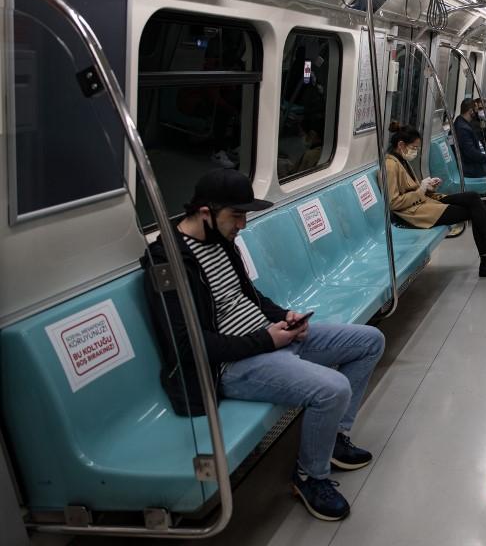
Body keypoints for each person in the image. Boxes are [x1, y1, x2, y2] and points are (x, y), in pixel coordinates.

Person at [141, 169, 384, 522]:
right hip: (233, 365)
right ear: (205, 212)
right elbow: (189, 345)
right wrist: (266, 339)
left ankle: (333, 437)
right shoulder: (168, 264)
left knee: (369, 341)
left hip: (269, 338)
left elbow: (249, 295)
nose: (242, 224)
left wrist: (286, 316)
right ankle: (309, 477)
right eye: (236, 215)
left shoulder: (222, 241)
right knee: (333, 389)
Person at [384, 124, 486, 277]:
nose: (415, 152)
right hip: (413, 213)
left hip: (423, 203)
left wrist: (428, 187)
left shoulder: (401, 161)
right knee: (474, 212)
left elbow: (410, 189)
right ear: (401, 145)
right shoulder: (390, 165)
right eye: (414, 147)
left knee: (473, 197)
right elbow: (394, 202)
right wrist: (420, 190)